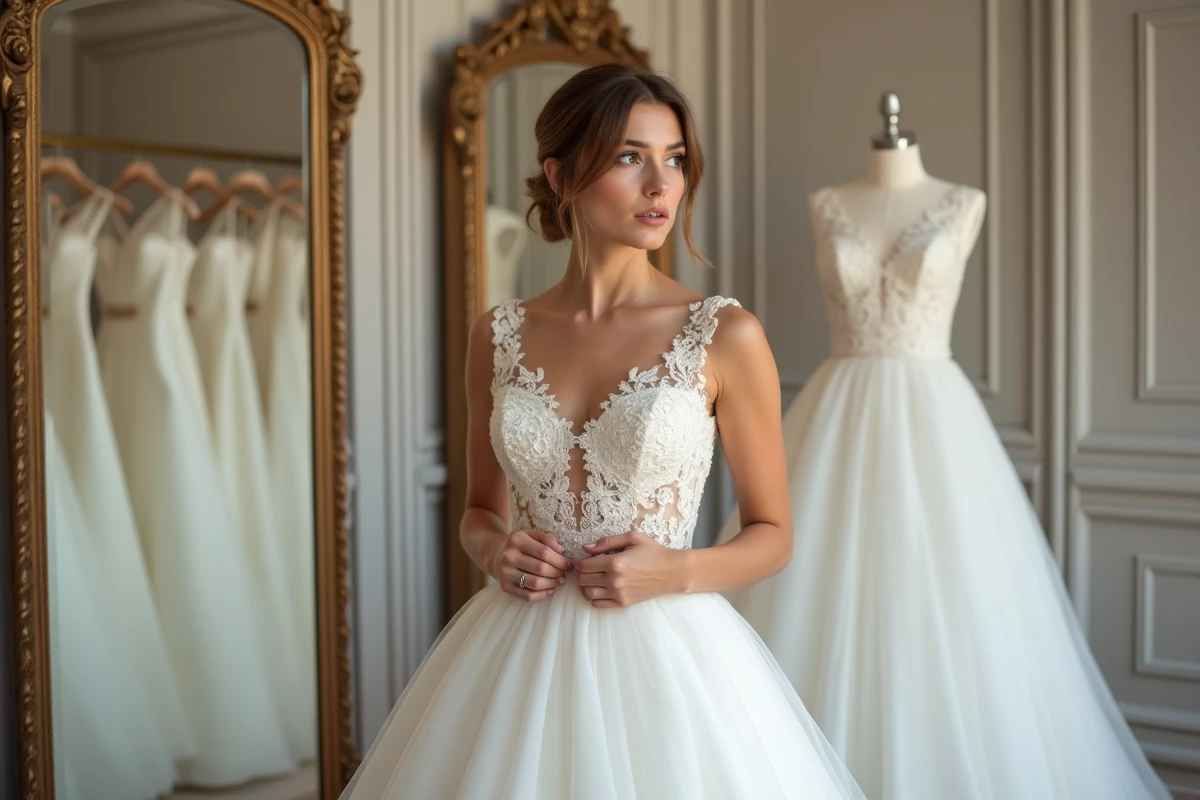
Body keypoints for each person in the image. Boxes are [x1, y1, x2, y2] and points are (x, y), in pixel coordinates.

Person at [340, 63, 864, 799]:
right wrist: (496, 550)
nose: (661, 185)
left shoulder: (724, 334)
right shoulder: (497, 334)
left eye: (674, 159)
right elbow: (478, 513)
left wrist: (672, 571)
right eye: (629, 157)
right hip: (514, 652)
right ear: (560, 175)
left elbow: (773, 535)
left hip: (669, 655)